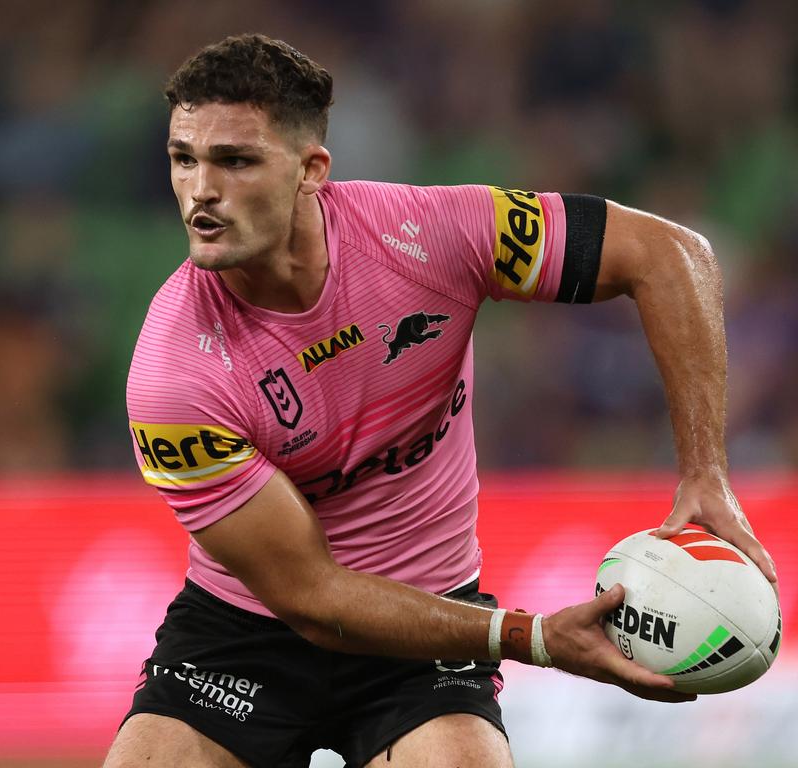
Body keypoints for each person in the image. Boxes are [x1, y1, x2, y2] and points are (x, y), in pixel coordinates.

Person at [108, 34, 777, 768]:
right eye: (183, 158)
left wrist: (705, 472)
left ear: (310, 171)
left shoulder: (426, 237)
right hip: (245, 635)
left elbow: (671, 254)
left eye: (235, 160)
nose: (201, 189)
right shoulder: (174, 374)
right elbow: (312, 597)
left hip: (424, 632)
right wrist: (534, 637)